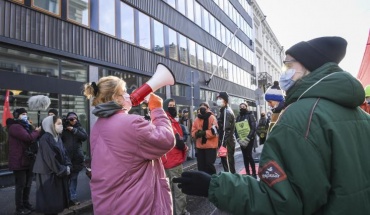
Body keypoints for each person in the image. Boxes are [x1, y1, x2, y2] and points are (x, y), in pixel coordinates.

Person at [173, 36, 370, 214]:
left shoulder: (300, 116)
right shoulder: (361, 116)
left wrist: (214, 186)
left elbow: (281, 201)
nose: (283, 72)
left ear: (307, 67)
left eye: (287, 65)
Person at [83, 76, 175, 214]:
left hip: (112, 204)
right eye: (124, 91)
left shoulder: (98, 126)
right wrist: (157, 109)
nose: (128, 95)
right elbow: (166, 140)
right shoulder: (131, 123)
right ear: (116, 97)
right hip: (137, 205)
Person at [33, 115, 72, 215]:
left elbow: (64, 152)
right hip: (48, 173)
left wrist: (68, 165)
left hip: (56, 172)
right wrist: (62, 170)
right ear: (51, 125)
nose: (61, 126)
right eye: (58, 124)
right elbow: (50, 158)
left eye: (61, 124)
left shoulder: (57, 137)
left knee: (56, 201)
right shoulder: (45, 138)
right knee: (50, 202)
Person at [7, 108, 41, 215]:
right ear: (17, 115)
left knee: (28, 184)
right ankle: (19, 208)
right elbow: (28, 138)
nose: (25, 115)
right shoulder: (15, 127)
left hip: (27, 160)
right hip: (19, 161)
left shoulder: (26, 126)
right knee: (21, 185)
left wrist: (33, 129)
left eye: (26, 113)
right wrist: (37, 131)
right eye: (23, 114)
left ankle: (26, 204)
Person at [161, 98, 189, 215]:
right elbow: (177, 139)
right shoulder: (168, 121)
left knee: (168, 190)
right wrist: (185, 147)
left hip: (165, 160)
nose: (173, 107)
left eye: (174, 105)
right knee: (179, 190)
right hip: (173, 160)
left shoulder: (161, 119)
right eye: (170, 105)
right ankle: (181, 212)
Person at [61, 112, 88, 206]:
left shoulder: (79, 127)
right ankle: (65, 198)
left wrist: (74, 130)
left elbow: (85, 137)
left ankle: (73, 197)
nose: (74, 120)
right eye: (72, 119)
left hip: (77, 157)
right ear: (68, 119)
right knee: (66, 179)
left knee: (74, 178)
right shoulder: (63, 129)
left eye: (75, 118)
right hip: (65, 158)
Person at [191, 102, 218, 175]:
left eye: (204, 107)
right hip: (200, 147)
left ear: (208, 108)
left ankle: (213, 181)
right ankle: (203, 183)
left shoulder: (212, 118)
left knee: (209, 165)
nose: (202, 108)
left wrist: (204, 133)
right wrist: (196, 134)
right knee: (201, 167)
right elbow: (193, 130)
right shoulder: (197, 119)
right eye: (201, 107)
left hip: (210, 146)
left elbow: (214, 131)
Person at [235, 103, 257, 178]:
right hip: (241, 140)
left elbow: (253, 128)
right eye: (241, 107)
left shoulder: (250, 115)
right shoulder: (238, 117)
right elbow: (236, 129)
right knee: (244, 156)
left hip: (249, 140)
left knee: (249, 155)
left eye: (244, 106)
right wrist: (238, 139)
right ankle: (247, 173)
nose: (242, 108)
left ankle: (254, 173)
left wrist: (248, 138)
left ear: (246, 107)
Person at [216, 92, 236, 173]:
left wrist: (222, 146)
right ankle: (232, 182)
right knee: (229, 164)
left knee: (227, 165)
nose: (218, 100)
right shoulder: (225, 110)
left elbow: (226, 130)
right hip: (228, 141)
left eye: (220, 99)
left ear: (225, 101)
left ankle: (231, 183)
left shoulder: (226, 112)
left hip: (227, 143)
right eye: (218, 98)